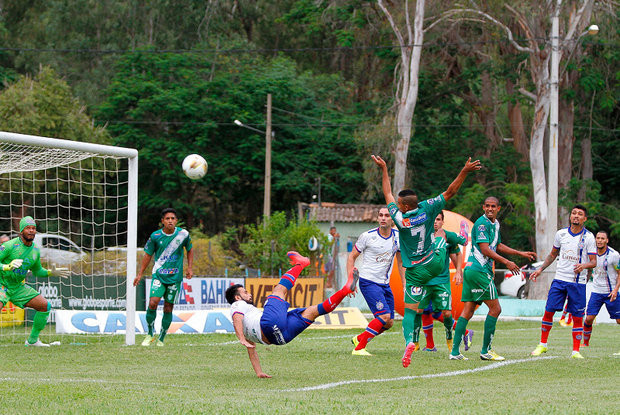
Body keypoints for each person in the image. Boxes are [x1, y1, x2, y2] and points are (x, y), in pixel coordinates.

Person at [372, 154, 481, 367]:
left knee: (411, 310)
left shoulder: (399, 217)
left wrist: (384, 169)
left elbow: (387, 193)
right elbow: (451, 191)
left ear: (402, 205)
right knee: (435, 307)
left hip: (414, 270)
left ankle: (409, 342)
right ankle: (447, 338)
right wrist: (464, 171)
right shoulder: (428, 207)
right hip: (435, 263)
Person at [226, 251, 359, 377]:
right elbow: (237, 317)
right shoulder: (237, 305)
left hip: (281, 339)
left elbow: (252, 350)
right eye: (244, 292)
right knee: (278, 290)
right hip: (269, 324)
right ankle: (301, 263)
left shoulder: (245, 324)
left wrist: (259, 372)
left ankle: (345, 290)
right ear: (237, 297)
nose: (249, 294)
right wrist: (241, 339)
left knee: (312, 312)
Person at [450, 197, 536, 361]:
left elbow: (497, 246)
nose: (490, 209)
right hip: (479, 270)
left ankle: (454, 352)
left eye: (493, 206)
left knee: (467, 312)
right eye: (487, 206)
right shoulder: (482, 224)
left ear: (498, 208)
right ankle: (485, 350)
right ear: (483, 207)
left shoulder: (495, 224)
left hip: (473, 270)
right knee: (496, 309)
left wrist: (519, 254)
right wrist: (506, 262)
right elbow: (484, 249)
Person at [530, 205, 596, 359]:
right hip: (560, 280)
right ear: (570, 216)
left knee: (578, 316)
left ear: (584, 219)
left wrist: (584, 265)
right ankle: (543, 345)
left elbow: (593, 262)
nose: (576, 216)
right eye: (574, 213)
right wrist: (540, 269)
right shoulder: (561, 234)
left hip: (577, 283)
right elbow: (552, 255)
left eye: (580, 214)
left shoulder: (589, 237)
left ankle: (575, 351)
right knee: (549, 311)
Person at [0, 216, 70, 346]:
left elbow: (38, 271)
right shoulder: (9, 246)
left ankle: (32, 341)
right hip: (1, 284)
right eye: (28, 228)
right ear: (21, 231)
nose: (31, 231)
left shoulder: (35, 251)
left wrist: (50, 272)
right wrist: (7, 266)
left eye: (33, 228)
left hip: (17, 287)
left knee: (44, 306)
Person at [347, 207, 405, 356]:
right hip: (368, 281)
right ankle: (359, 349)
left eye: (387, 215)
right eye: (381, 215)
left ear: (392, 219)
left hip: (384, 284)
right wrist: (350, 280)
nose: (383, 218)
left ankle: (360, 339)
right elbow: (351, 257)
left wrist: (405, 284)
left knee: (389, 322)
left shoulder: (398, 236)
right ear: (377, 218)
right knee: (383, 316)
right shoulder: (367, 236)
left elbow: (400, 262)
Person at [133, 208, 193, 347]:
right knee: (153, 303)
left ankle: (161, 338)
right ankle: (149, 333)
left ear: (176, 221)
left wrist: (189, 268)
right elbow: (147, 255)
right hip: (159, 275)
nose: (170, 221)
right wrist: (140, 273)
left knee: (168, 307)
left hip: (175, 278)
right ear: (162, 221)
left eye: (172, 218)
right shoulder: (155, 236)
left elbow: (190, 249)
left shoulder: (183, 234)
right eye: (167, 219)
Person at [421, 212, 473, 352]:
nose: (435, 222)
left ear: (443, 222)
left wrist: (458, 272)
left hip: (440, 282)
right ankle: (430, 345)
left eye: (438, 219)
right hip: (425, 281)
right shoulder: (422, 236)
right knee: (425, 312)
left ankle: (464, 332)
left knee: (444, 314)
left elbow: (456, 254)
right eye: (433, 219)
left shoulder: (447, 237)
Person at [582, 230, 619, 346]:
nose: (599, 240)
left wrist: (615, 290)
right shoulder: (591, 254)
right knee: (588, 318)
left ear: (607, 240)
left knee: (619, 320)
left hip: (611, 292)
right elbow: (588, 269)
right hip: (597, 292)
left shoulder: (614, 255)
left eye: (602, 238)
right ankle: (585, 343)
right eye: (598, 238)